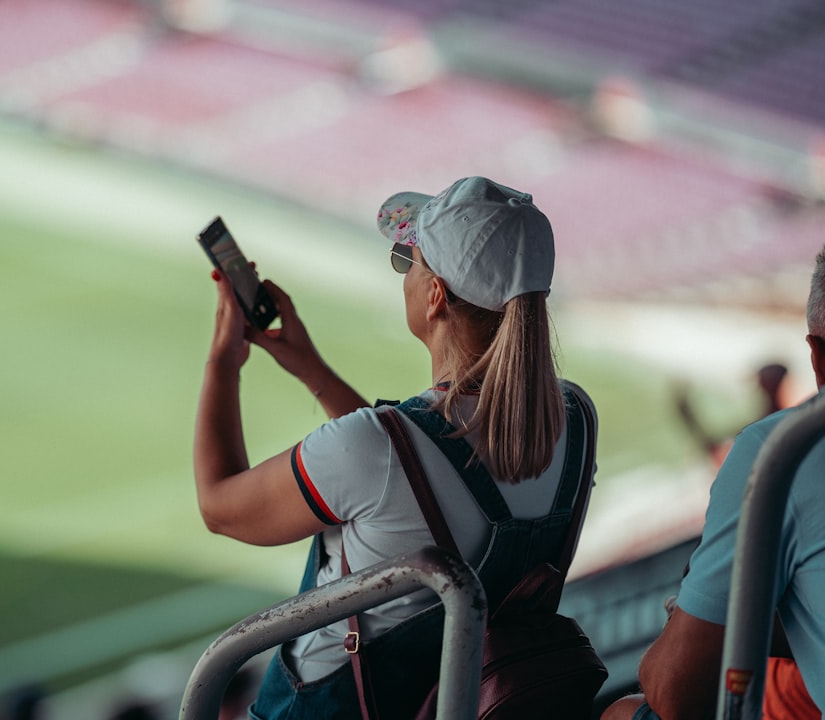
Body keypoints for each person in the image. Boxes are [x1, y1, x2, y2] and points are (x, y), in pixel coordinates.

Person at [194, 176, 597, 719]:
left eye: (408, 262)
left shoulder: (377, 448)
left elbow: (221, 507)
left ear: (434, 296)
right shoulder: (575, 417)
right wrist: (310, 368)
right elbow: (406, 474)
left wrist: (223, 361)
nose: (403, 275)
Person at [601, 240, 825, 720]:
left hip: (791, 697)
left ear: (818, 357)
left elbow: (675, 692)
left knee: (623, 713)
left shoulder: (784, 448)